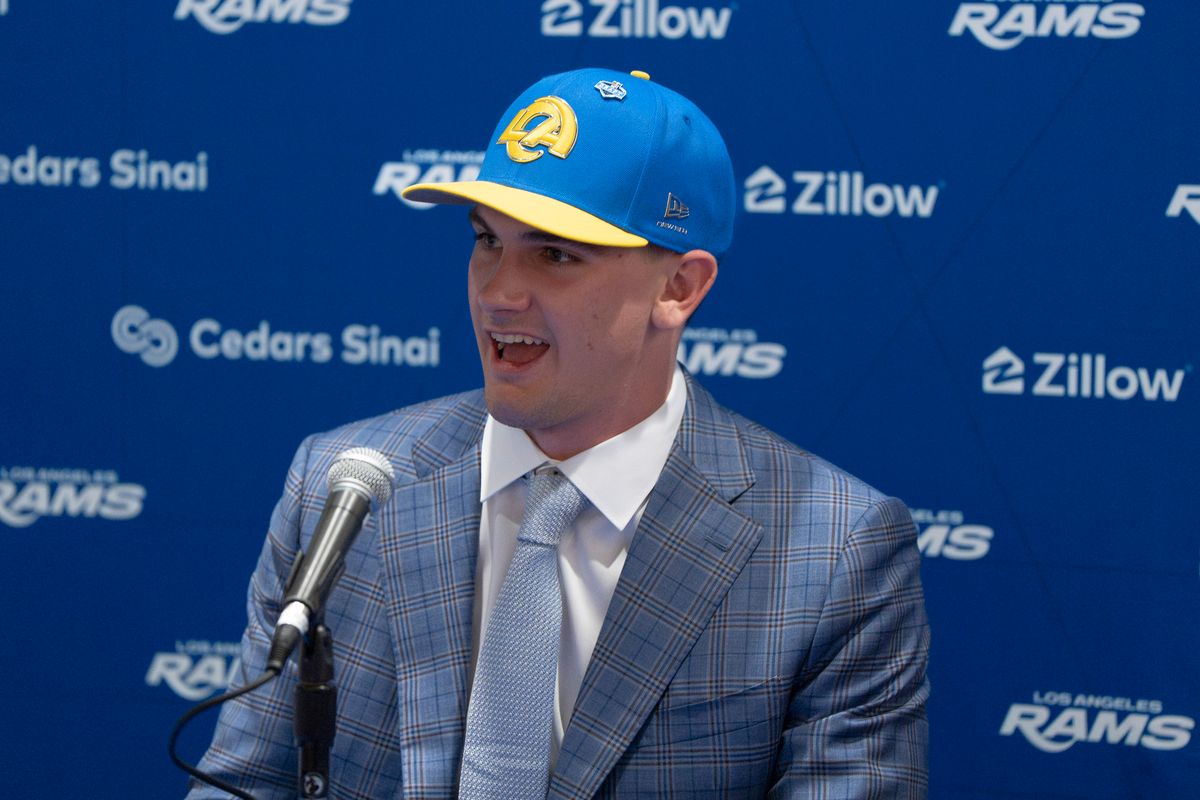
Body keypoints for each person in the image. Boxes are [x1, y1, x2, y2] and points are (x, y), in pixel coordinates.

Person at [189, 67, 930, 799]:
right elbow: (247, 782)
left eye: (555, 254)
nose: (499, 292)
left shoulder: (832, 550)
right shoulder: (343, 485)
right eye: (487, 241)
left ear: (679, 289)